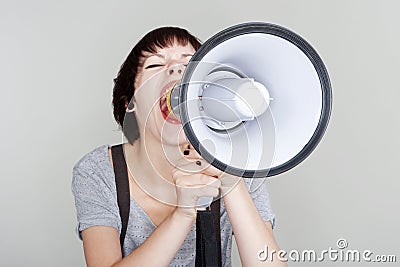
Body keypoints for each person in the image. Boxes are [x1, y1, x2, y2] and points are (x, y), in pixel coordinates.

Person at [72, 26, 287, 267]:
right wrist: (183, 215)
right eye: (155, 66)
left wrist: (232, 182)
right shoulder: (98, 171)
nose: (175, 69)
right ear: (129, 103)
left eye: (189, 66)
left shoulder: (236, 162)